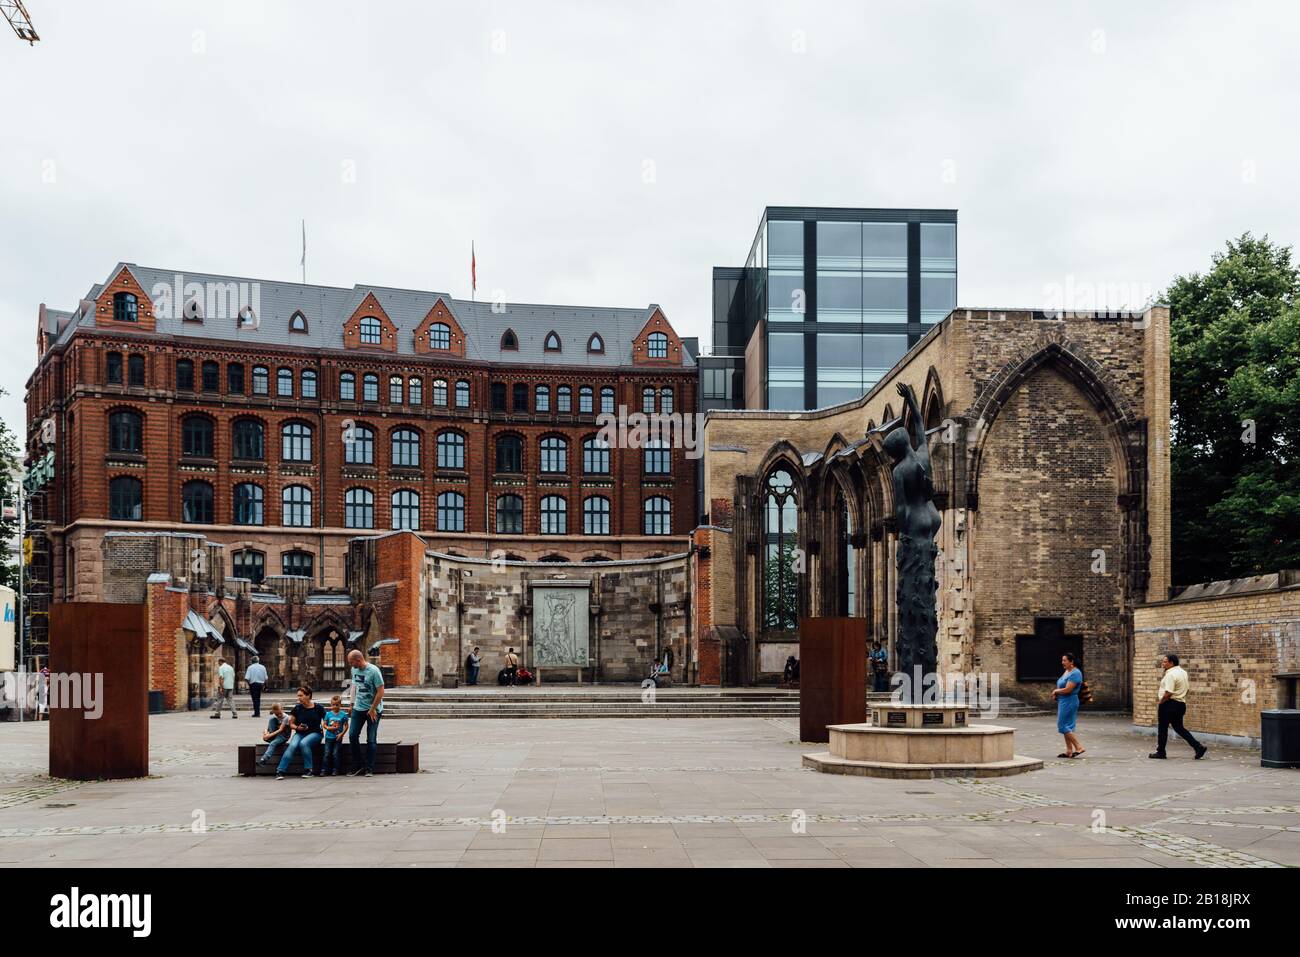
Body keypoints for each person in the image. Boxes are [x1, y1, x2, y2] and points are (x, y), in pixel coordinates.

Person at [1150, 653, 1207, 760]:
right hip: (1180, 704)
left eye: (1165, 661)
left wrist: (1161, 702)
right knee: (1179, 728)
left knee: (1162, 728)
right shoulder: (1183, 672)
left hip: (1169, 704)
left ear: (1171, 663)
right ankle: (1198, 747)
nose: (1162, 663)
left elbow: (1168, 692)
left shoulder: (1171, 675)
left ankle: (1161, 752)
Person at [346, 649, 385, 777]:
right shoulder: (354, 670)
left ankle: (369, 768)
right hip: (358, 708)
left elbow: (380, 691)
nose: (350, 665)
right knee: (352, 736)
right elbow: (354, 686)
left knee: (371, 739)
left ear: (358, 660)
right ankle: (358, 765)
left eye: (351, 662)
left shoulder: (374, 671)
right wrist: (351, 704)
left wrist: (373, 709)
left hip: (373, 710)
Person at [276, 686, 326, 780]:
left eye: (301, 695)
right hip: (300, 733)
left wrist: (331, 726)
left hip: (315, 733)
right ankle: (280, 770)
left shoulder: (318, 708)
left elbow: (327, 720)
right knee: (292, 745)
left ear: (308, 695)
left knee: (304, 743)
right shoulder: (297, 708)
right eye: (298, 696)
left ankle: (309, 770)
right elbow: (291, 724)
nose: (299, 698)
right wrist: (297, 727)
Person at [1051, 652, 1085, 758]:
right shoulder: (1067, 671)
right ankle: (1069, 751)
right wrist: (1057, 694)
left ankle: (1079, 747)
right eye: (1062, 660)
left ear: (1071, 662)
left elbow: (1068, 690)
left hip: (1070, 701)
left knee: (1062, 725)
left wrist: (1056, 691)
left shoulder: (1075, 673)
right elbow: (1063, 687)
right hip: (1063, 701)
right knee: (1067, 725)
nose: (1062, 662)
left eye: (1065, 660)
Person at [321, 694, 349, 776]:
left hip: (338, 738)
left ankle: (336, 769)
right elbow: (324, 724)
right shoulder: (328, 714)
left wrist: (342, 734)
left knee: (335, 754)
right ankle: (324, 769)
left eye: (337, 705)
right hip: (329, 737)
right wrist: (328, 728)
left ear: (340, 705)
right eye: (333, 705)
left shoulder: (343, 715)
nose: (335, 706)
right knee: (327, 753)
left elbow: (346, 725)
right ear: (331, 705)